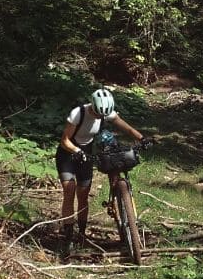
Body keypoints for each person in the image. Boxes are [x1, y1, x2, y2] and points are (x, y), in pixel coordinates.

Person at [55, 87, 144, 252]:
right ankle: (67, 235)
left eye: (102, 115)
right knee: (70, 190)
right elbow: (64, 141)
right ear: (92, 107)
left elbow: (126, 127)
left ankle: (81, 234)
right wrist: (77, 151)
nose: (99, 117)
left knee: (83, 195)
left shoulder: (105, 113)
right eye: (97, 113)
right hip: (68, 153)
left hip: (86, 154)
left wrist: (141, 138)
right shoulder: (78, 113)